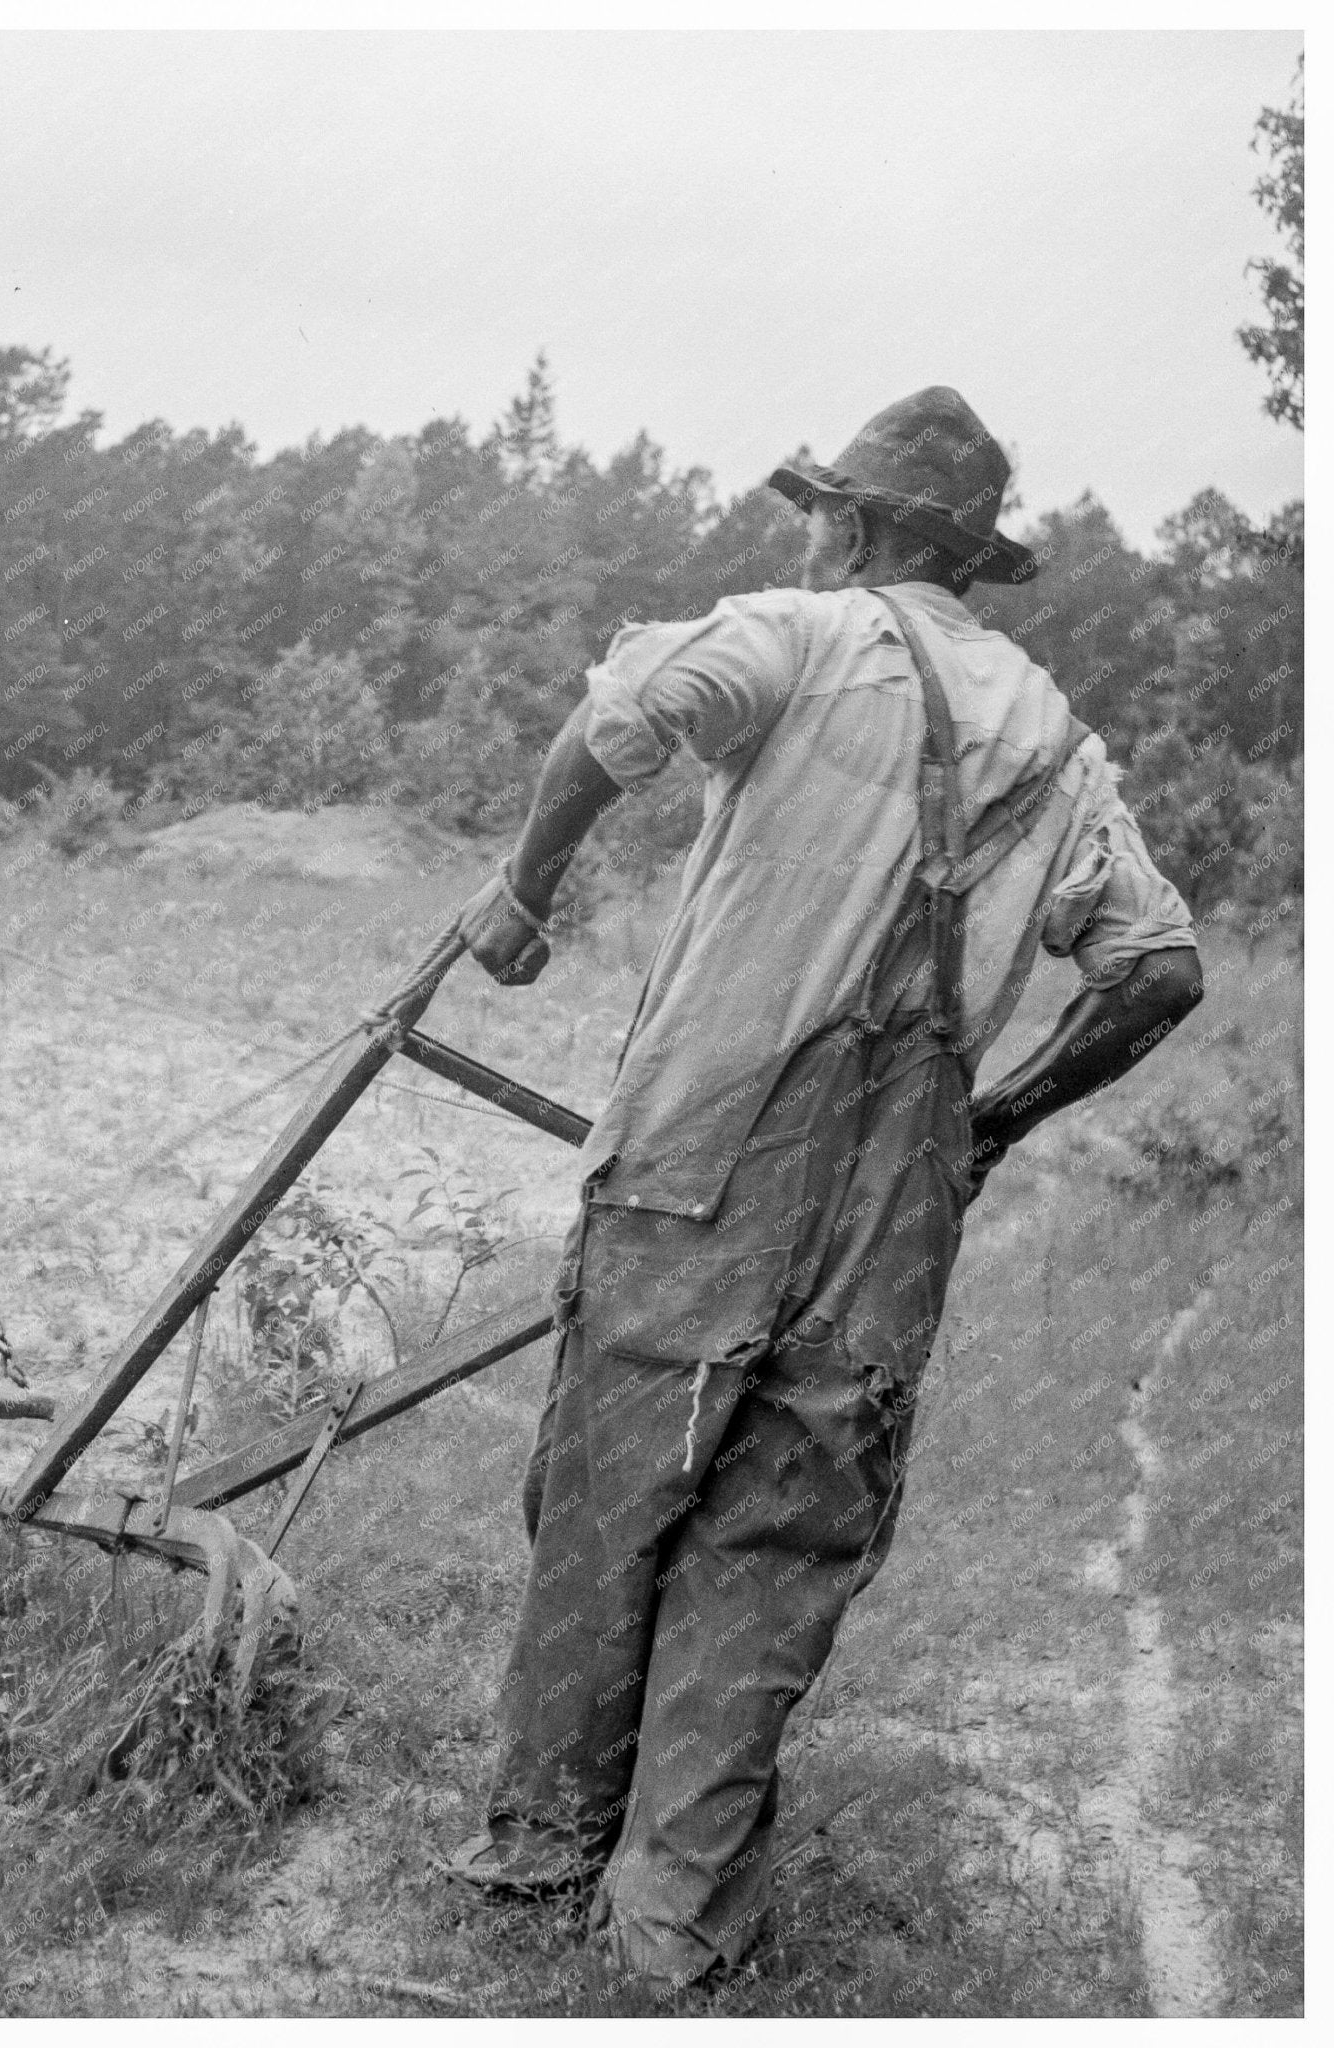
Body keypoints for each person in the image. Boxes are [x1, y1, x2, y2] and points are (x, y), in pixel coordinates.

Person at [441, 386, 1203, 1985]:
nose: (808, 531)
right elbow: (1157, 968)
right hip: (892, 1218)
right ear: (968, 558)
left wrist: (524, 890)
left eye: (820, 512)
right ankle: (669, 1934)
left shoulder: (793, 631)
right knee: (777, 1549)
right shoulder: (1059, 745)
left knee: (604, 1507)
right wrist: (992, 1124)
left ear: (854, 526)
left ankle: (534, 1862)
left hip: (697, 1163)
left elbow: (612, 725)